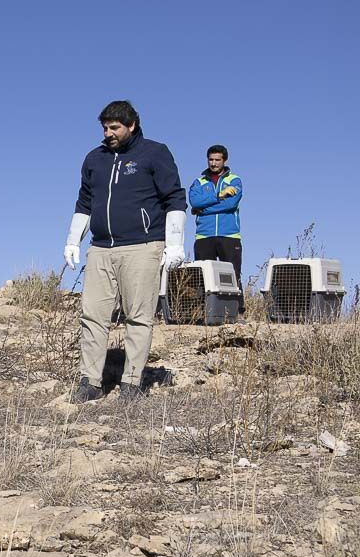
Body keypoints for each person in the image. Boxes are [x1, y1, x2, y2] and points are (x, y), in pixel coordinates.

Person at [63, 100, 186, 402]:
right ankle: (90, 382)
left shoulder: (155, 153)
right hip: (101, 248)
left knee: (138, 317)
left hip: (143, 248)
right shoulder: (95, 159)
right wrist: (71, 240)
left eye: (115, 127)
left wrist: (175, 244)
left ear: (132, 125)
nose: (108, 133)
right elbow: (84, 203)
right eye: (105, 127)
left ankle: (131, 383)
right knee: (93, 316)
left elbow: (175, 198)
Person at [188, 145, 244, 314]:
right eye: (211, 159)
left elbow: (231, 204)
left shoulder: (234, 180)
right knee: (202, 276)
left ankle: (237, 311)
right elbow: (194, 202)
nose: (213, 163)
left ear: (224, 160)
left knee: (233, 274)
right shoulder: (199, 182)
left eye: (217, 160)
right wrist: (219, 195)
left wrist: (203, 208)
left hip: (229, 235)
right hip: (204, 235)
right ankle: (201, 311)